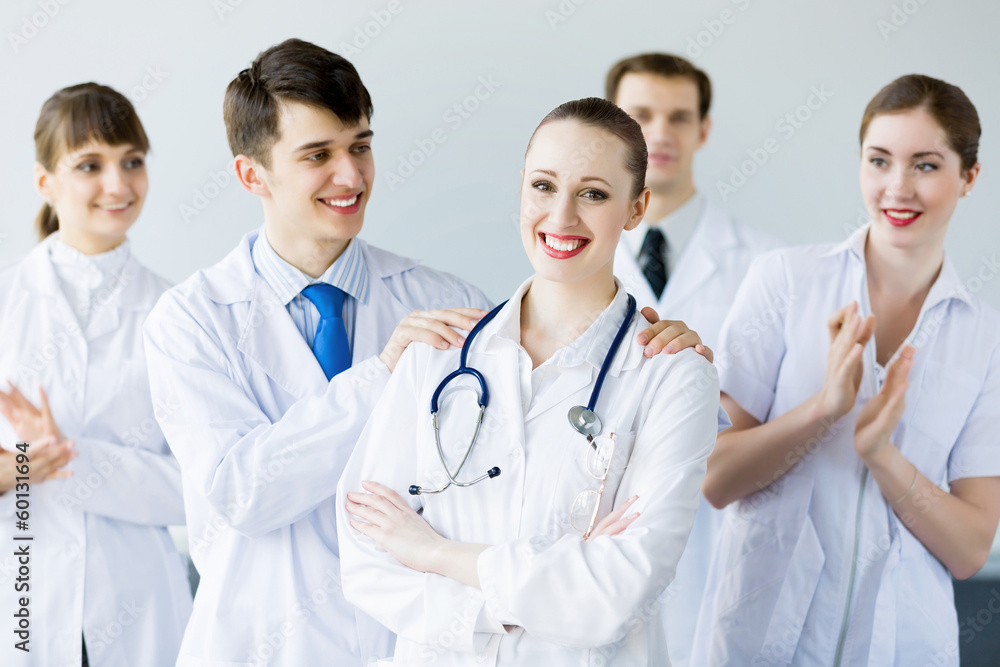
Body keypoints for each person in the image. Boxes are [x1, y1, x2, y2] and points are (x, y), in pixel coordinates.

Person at [143, 40, 703, 666]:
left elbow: (524, 478)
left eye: (360, 146)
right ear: (253, 175)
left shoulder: (448, 306)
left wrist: (647, 341)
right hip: (267, 645)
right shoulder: (191, 320)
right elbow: (241, 495)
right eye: (318, 155)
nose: (351, 176)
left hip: (427, 644)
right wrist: (381, 375)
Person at [337, 97, 721, 666]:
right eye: (544, 186)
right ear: (521, 187)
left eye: (593, 194)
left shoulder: (672, 376)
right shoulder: (436, 356)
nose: (561, 217)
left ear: (636, 207)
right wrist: (527, 599)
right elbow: (367, 560)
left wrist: (434, 553)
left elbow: (616, 591)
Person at [694, 74, 1000, 666]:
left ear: (969, 177)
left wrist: (883, 457)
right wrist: (822, 411)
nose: (897, 187)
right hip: (763, 641)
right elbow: (715, 478)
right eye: (879, 160)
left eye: (926, 165)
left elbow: (969, 550)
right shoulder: (785, 281)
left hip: (905, 647)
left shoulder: (986, 338)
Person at [0, 83, 191, 667]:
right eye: (90, 165)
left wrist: (71, 458)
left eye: (132, 161)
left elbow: (200, 489)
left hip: (139, 607)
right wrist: (13, 472)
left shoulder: (179, 314)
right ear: (45, 182)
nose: (119, 185)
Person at [605, 52, 781, 666]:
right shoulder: (574, 259)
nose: (660, 133)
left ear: (703, 129)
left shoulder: (764, 266)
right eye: (641, 115)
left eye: (679, 117)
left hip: (718, 552)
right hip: (601, 552)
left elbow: (766, 428)